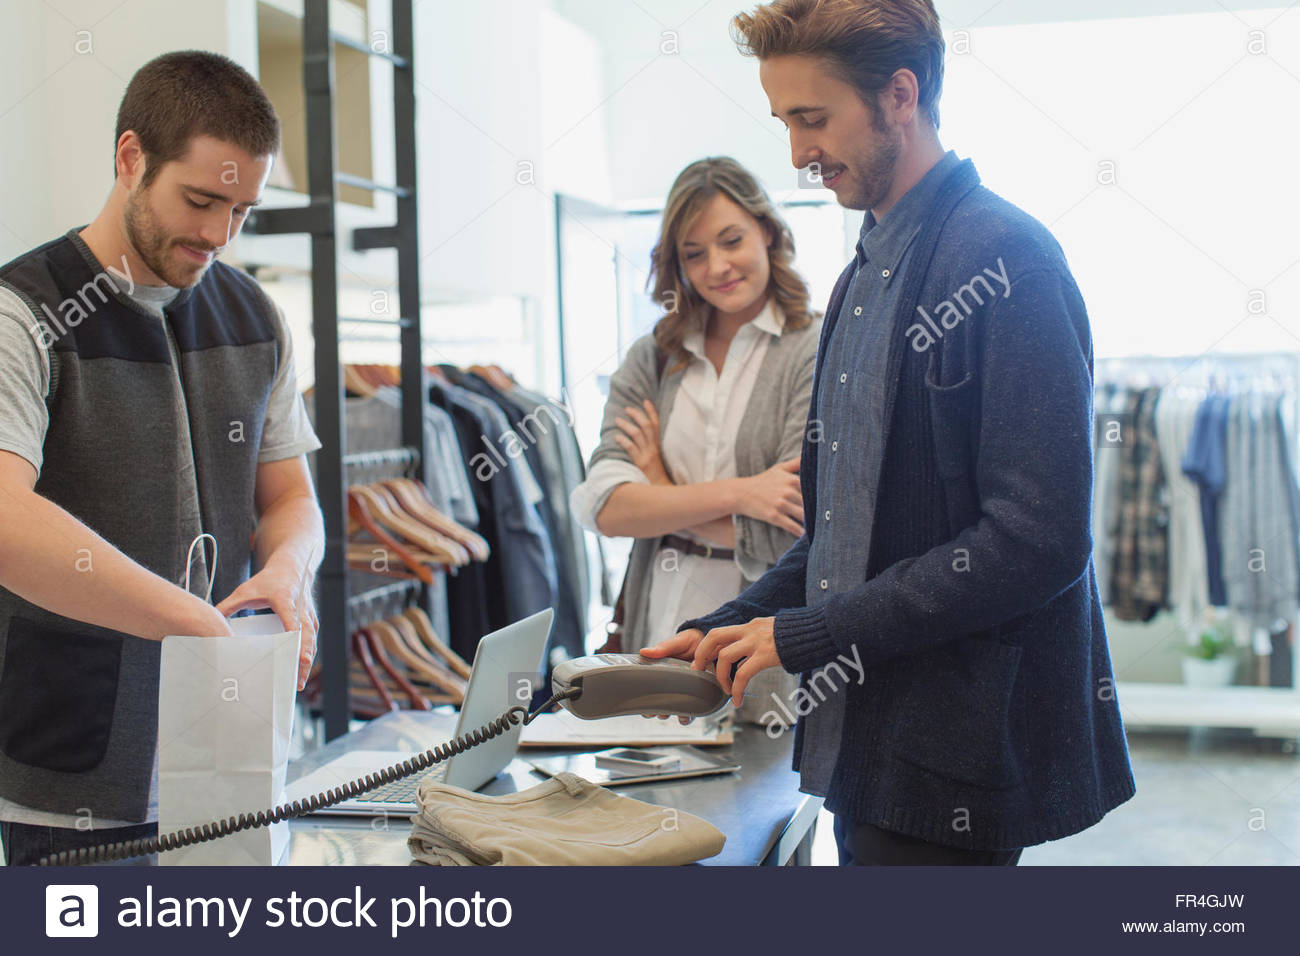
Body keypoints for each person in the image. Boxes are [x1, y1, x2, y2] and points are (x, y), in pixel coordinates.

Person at [643, 0, 1136, 865]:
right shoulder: (864, 273)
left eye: (813, 118)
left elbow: (1039, 541)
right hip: (864, 741)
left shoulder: (1008, 259)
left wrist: (807, 637)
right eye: (785, 121)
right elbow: (841, 530)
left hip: (956, 757)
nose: (797, 153)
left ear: (900, 95)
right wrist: (733, 623)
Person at [0, 51, 323, 865]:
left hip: (225, 760)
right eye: (202, 200)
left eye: (243, 211)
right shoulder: (23, 312)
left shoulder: (256, 317)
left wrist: (289, 569)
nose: (218, 235)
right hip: (74, 772)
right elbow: (5, 519)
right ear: (130, 159)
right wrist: (188, 621)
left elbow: (292, 498)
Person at [571, 156, 821, 723]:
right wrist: (738, 494)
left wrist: (659, 493)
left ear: (767, 230)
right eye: (694, 253)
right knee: (651, 796)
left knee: (758, 798)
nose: (718, 266)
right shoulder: (654, 357)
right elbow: (604, 507)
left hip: (762, 633)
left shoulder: (816, 347)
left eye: (731, 240)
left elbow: (792, 525)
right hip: (660, 618)